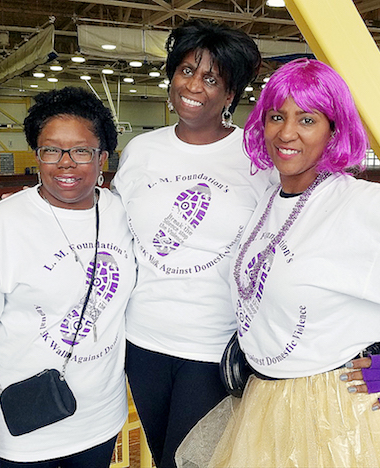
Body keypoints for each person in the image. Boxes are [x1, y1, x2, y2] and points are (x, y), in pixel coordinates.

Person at [175, 58, 380, 467]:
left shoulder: (363, 206)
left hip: (342, 416)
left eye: (307, 119)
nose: (287, 132)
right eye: (277, 116)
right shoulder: (270, 196)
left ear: (334, 130)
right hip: (269, 405)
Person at [0, 87, 135, 468]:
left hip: (99, 419)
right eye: (51, 150)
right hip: (24, 429)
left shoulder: (121, 212)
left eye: (81, 151)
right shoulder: (5, 222)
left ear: (103, 158)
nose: (65, 163)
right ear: (37, 156)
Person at [113, 19, 274, 468]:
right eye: (186, 70)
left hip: (214, 344)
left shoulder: (257, 157)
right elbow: (112, 224)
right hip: (142, 340)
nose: (194, 86)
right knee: (164, 450)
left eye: (211, 78)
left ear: (230, 94)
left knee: (189, 460)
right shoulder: (141, 151)